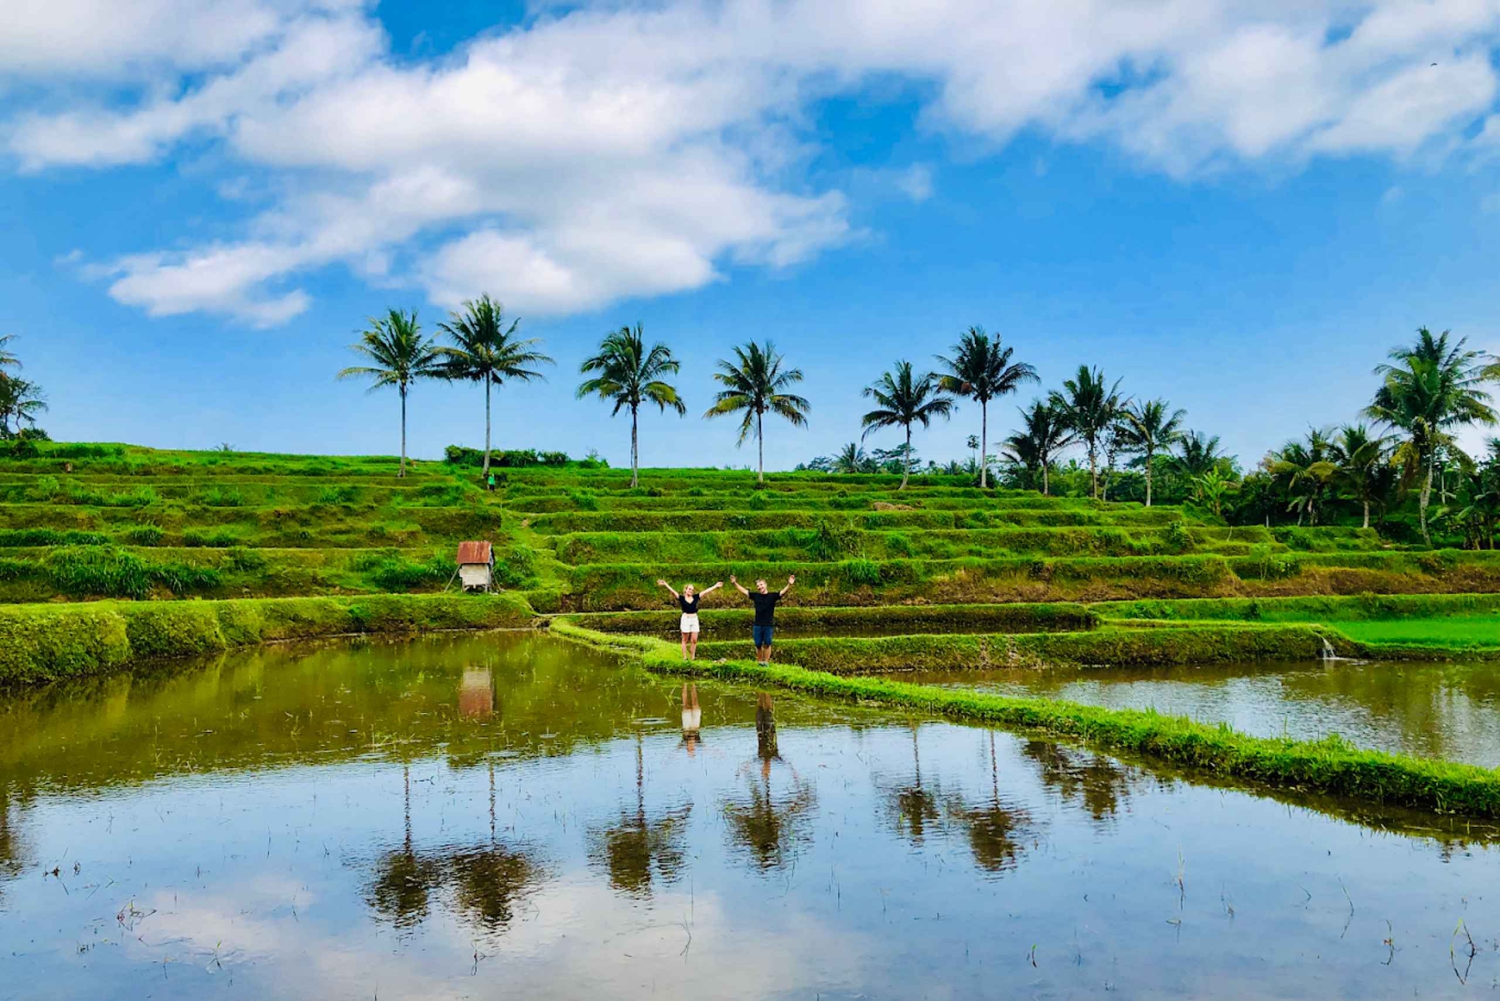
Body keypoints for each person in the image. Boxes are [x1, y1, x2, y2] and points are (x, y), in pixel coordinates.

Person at [731, 574, 794, 665]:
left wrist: (789, 584)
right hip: (758, 624)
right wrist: (735, 583)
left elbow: (782, 592)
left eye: (761, 585)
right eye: (758, 586)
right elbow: (744, 591)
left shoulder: (772, 596)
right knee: (758, 644)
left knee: (767, 643)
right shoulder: (756, 596)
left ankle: (766, 662)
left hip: (768, 624)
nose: (760, 587)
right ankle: (760, 661)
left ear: (765, 585)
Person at [656, 579, 724, 660]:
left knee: (694, 640)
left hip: (694, 619)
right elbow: (673, 592)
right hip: (686, 619)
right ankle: (685, 657)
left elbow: (706, 591)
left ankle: (693, 657)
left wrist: (715, 586)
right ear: (686, 590)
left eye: (692, 590)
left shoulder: (696, 597)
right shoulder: (681, 598)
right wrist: (665, 584)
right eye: (689, 589)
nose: (691, 591)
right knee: (685, 639)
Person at [681, 683, 703, 756]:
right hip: (695, 726)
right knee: (695, 704)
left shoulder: (684, 741)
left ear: (687, 747)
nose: (691, 746)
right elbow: (707, 748)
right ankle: (693, 685)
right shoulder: (698, 741)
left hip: (687, 726)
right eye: (692, 749)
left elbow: (675, 750)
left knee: (685, 704)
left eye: (690, 749)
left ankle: (685, 684)